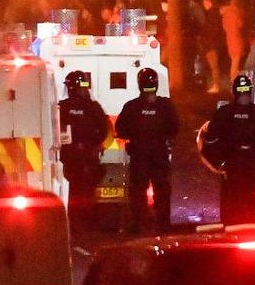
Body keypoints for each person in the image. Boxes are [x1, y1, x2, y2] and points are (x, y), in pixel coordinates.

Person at [201, 74, 255, 225]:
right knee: (235, 195)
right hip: (235, 161)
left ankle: (250, 222)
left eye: (245, 91)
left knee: (251, 194)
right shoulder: (231, 112)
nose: (244, 96)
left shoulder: (254, 112)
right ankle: (235, 223)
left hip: (248, 160)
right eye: (242, 92)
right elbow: (212, 136)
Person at [115, 68, 179, 234]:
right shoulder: (165, 106)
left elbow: (120, 129)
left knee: (138, 191)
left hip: (139, 156)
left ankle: (138, 224)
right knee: (162, 190)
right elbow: (175, 127)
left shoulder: (132, 107)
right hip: (159, 156)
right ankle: (162, 224)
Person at [58, 71, 111, 229]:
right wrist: (97, 147)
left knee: (73, 190)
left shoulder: (63, 107)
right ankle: (88, 223)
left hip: (70, 157)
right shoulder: (94, 107)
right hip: (89, 157)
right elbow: (105, 130)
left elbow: (55, 129)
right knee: (88, 191)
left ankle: (74, 223)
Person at [200, 0, 225, 93]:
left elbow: (211, 30)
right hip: (212, 43)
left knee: (214, 66)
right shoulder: (215, 13)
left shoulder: (212, 14)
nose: (204, 6)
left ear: (209, 2)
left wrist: (205, 39)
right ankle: (215, 85)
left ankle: (216, 86)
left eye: (204, 3)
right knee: (213, 65)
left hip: (211, 44)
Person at [220, 0, 247, 80]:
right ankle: (233, 81)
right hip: (236, 39)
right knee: (235, 63)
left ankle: (235, 79)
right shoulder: (236, 13)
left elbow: (224, 27)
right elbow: (240, 25)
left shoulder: (225, 14)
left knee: (234, 62)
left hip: (229, 39)